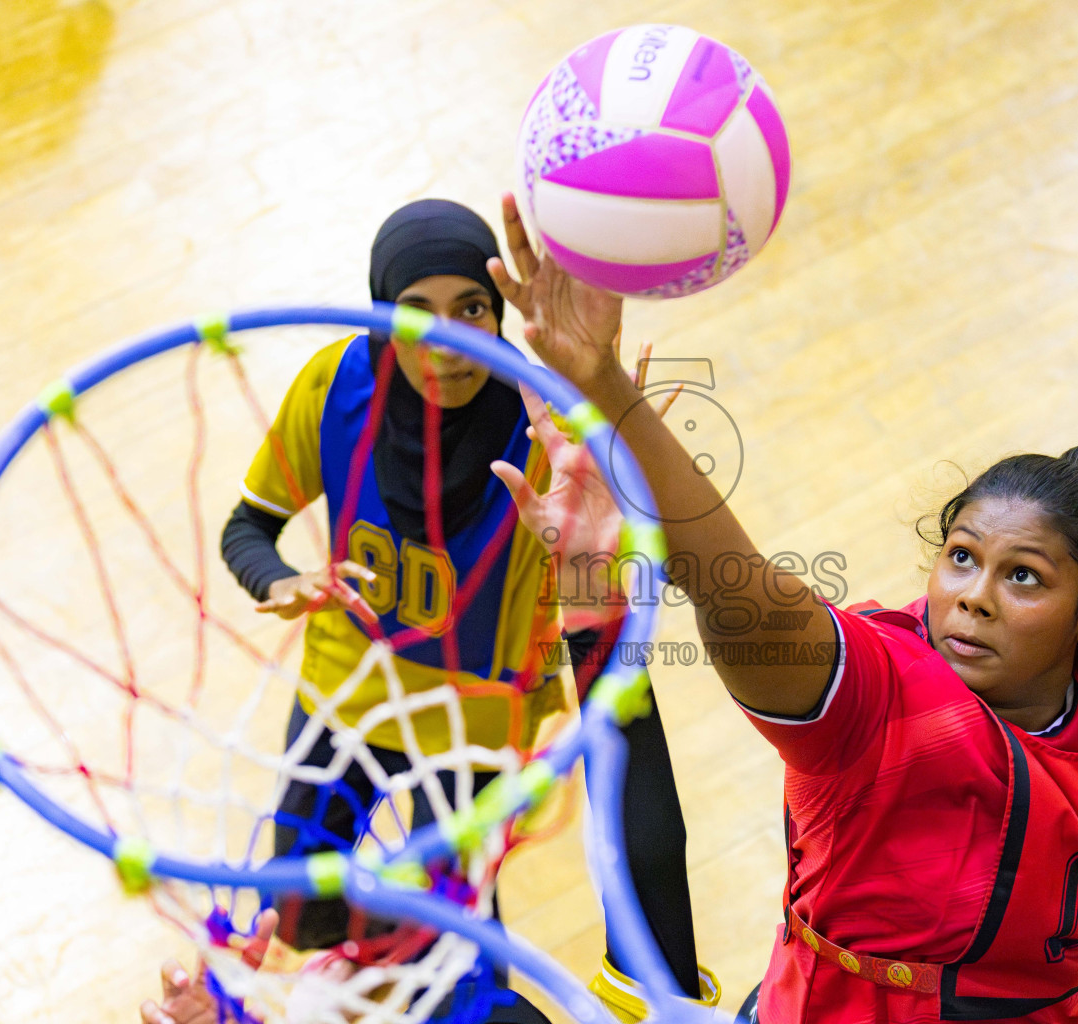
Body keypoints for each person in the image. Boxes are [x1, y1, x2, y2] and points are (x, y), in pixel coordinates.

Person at [485, 200, 1078, 1023]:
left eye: (1023, 576)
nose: (974, 597)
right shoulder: (880, 690)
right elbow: (738, 589)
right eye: (959, 558)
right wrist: (608, 388)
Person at [185, 197, 715, 1021]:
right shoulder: (333, 386)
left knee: (465, 961)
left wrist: (616, 441)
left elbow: (615, 575)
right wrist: (276, 579)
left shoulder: (545, 417)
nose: (445, 340)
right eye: (415, 313)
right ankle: (367, 968)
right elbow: (247, 527)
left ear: (497, 312)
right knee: (300, 907)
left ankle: (425, 979)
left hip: (477, 714)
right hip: (347, 687)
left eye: (471, 308)